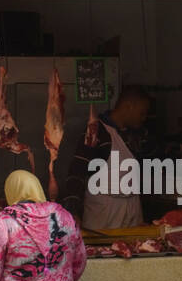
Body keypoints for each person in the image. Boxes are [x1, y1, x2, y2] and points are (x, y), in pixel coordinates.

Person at [61, 85, 152, 229]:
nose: (144, 118)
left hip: (132, 210)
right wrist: (72, 211)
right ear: (129, 106)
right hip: (104, 213)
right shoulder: (97, 132)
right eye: (142, 113)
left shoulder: (136, 135)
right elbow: (77, 171)